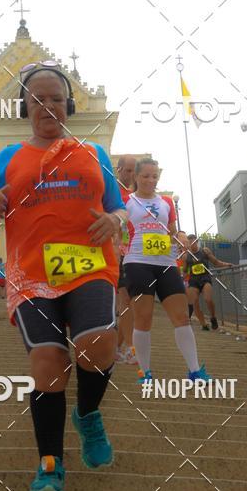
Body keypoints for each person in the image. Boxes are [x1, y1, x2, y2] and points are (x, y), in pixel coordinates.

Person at [0, 62, 126, 491]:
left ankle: (88, 415)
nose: (48, 106)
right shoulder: (9, 158)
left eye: (56, 98)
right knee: (48, 363)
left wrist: (114, 220)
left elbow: (118, 205)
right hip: (31, 276)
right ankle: (50, 465)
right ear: (25, 107)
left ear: (68, 105)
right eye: (38, 99)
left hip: (90, 265)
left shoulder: (94, 153)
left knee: (98, 342)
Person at [123, 158, 210, 385]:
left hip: (167, 263)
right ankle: (145, 373)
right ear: (136, 177)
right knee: (143, 318)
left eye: (154, 176)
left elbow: (171, 231)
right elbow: (118, 229)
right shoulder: (126, 201)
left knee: (181, 317)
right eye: (145, 176)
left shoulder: (166, 202)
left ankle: (194, 371)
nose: (150, 180)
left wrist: (180, 239)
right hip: (137, 262)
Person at [114, 155, 136, 364]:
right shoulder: (111, 191)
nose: (131, 175)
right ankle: (130, 348)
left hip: (134, 254)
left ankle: (116, 348)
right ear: (118, 169)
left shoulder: (134, 196)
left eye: (133, 171)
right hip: (115, 253)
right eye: (128, 170)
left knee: (129, 303)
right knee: (126, 301)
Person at [185, 234, 233, 330]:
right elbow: (185, 270)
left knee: (208, 299)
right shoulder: (187, 255)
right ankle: (203, 324)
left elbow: (215, 262)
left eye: (193, 242)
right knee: (194, 302)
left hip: (205, 278)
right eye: (189, 243)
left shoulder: (204, 251)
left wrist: (227, 264)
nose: (191, 245)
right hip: (193, 280)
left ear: (197, 242)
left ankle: (213, 317)